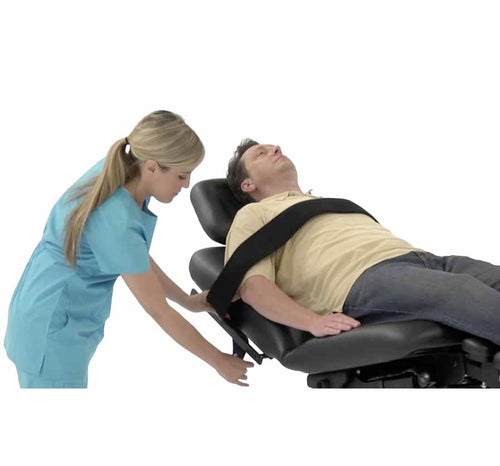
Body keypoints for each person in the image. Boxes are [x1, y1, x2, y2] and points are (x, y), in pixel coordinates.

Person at [4, 111, 253, 388]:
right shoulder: (116, 219)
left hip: (48, 310)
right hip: (50, 336)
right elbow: (158, 310)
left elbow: (134, 256)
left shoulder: (124, 171)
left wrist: (187, 300)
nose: (186, 185)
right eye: (181, 175)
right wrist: (218, 361)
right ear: (152, 166)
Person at [223, 138, 500, 345]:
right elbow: (253, 288)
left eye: (272, 146)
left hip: (423, 260)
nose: (276, 148)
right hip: (361, 280)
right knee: (461, 291)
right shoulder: (253, 214)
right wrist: (313, 322)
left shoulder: (321, 203)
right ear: (248, 184)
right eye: (261, 153)